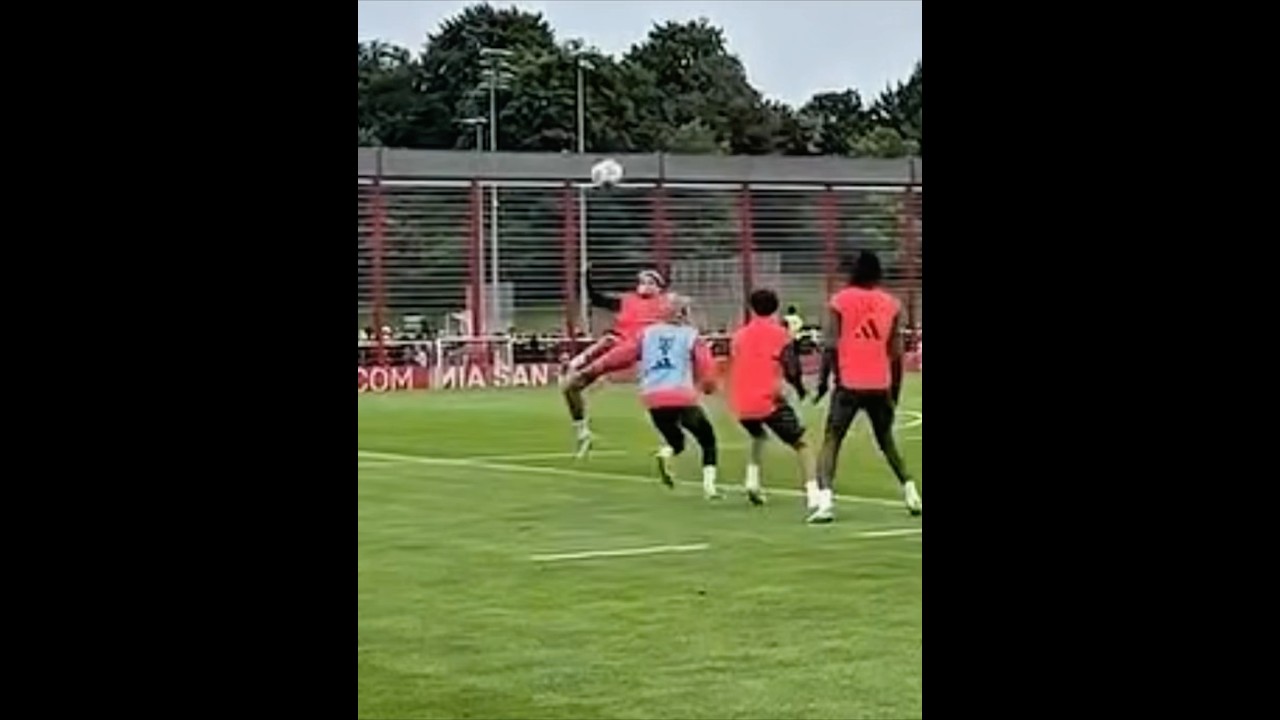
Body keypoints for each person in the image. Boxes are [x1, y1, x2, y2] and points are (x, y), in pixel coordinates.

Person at [810, 251, 922, 524]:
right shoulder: (892, 304)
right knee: (887, 441)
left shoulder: (840, 301)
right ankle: (911, 493)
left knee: (831, 440)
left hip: (849, 383)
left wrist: (824, 381)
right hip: (880, 383)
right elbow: (896, 353)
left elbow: (831, 346)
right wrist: (894, 391)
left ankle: (825, 502)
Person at [582, 295, 722, 499]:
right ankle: (710, 487)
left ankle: (666, 453)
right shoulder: (690, 336)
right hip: (681, 396)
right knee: (707, 439)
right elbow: (705, 365)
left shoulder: (646, 334)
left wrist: (597, 368)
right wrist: (709, 386)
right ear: (683, 314)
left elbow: (621, 355)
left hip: (653, 397)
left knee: (676, 442)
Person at [561, 265, 672, 458]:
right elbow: (596, 299)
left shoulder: (666, 306)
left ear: (659, 288)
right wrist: (587, 278)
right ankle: (583, 432)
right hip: (620, 349)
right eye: (642, 281)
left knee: (661, 401)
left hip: (648, 353)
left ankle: (669, 441)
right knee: (570, 386)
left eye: (650, 282)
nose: (644, 285)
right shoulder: (626, 301)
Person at [730, 289, 820, 509]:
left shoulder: (739, 335)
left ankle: (752, 480)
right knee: (802, 444)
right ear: (776, 307)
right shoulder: (780, 334)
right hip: (767, 398)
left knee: (758, 436)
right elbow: (791, 367)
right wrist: (799, 388)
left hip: (742, 399)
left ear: (752, 307)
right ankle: (814, 493)